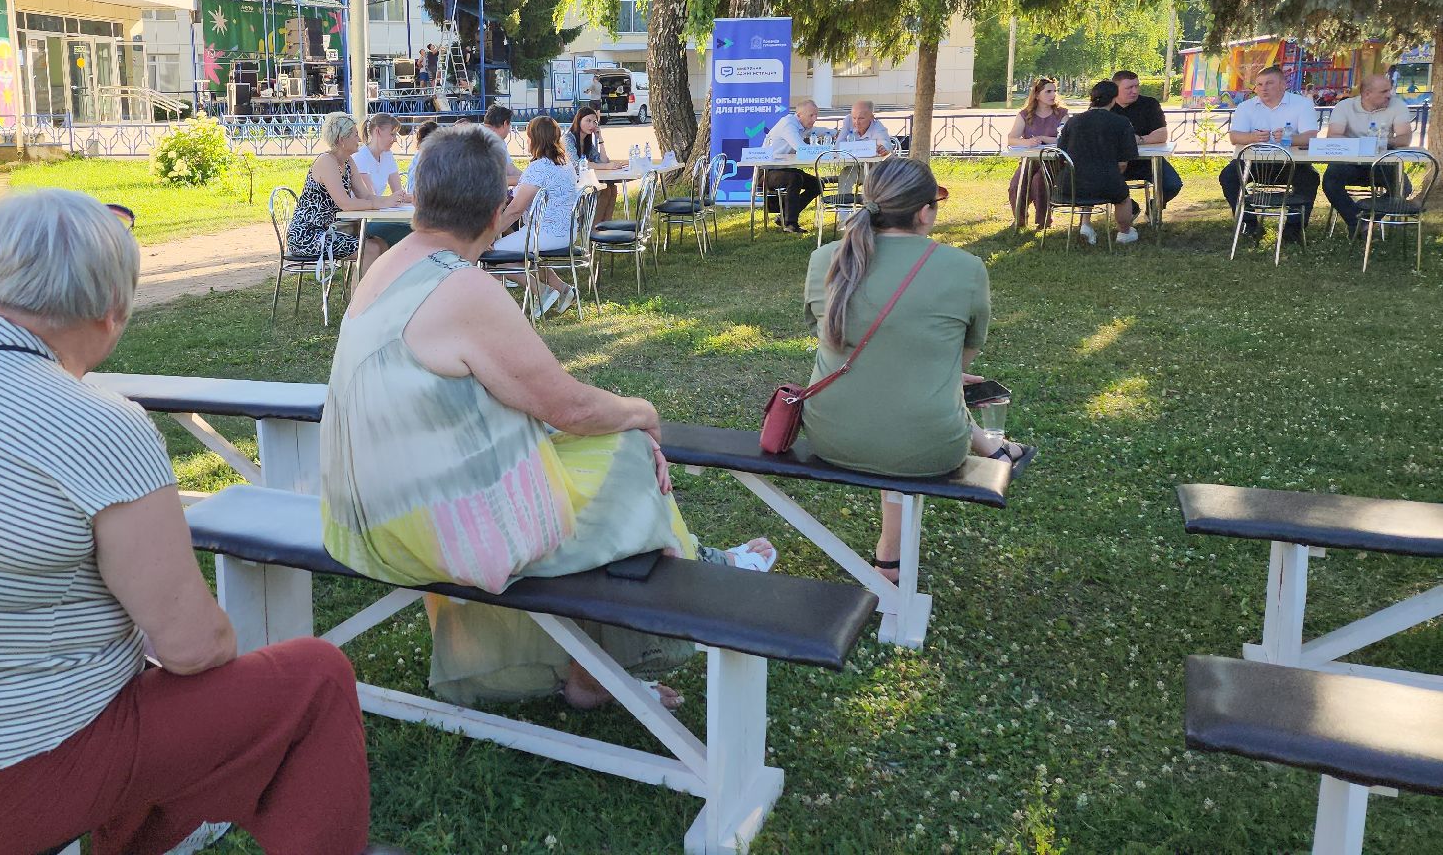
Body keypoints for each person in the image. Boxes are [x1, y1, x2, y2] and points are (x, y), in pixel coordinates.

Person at [0, 190, 374, 855]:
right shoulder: (98, 425)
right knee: (314, 680)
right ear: (114, 309)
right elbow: (193, 646)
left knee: (151, 702)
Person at [320, 125, 774, 709]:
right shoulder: (463, 288)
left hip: (355, 514)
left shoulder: (386, 266)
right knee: (628, 458)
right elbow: (567, 405)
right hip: (416, 528)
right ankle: (677, 592)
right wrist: (643, 414)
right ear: (496, 211)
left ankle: (590, 668)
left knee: (593, 457)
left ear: (419, 196)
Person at [802, 158, 1033, 584]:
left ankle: (889, 558)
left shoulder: (824, 260)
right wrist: (930, 368)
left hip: (829, 432)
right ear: (925, 212)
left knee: (912, 397)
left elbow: (830, 336)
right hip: (926, 444)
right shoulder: (965, 269)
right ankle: (992, 450)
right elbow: (963, 358)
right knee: (921, 404)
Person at [287, 112, 400, 275]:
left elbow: (365, 196)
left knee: (382, 244)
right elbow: (345, 204)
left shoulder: (348, 161)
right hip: (308, 235)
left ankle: (371, 296)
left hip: (329, 230)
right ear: (342, 140)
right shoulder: (327, 161)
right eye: (355, 135)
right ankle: (359, 299)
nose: (360, 139)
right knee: (370, 249)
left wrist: (389, 200)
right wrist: (381, 203)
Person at [489, 115, 582, 314]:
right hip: (568, 231)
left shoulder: (539, 167)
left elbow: (515, 210)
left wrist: (487, 236)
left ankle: (541, 292)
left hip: (547, 232)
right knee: (524, 254)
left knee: (493, 255)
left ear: (534, 138)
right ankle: (564, 289)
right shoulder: (564, 164)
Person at [1219, 65, 1322, 241]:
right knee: (1228, 176)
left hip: (1291, 164)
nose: (1263, 88)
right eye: (1259, 84)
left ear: (1283, 85)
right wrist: (1253, 137)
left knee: (1310, 178)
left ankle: (1293, 228)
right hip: (1254, 164)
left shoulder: (1302, 104)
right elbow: (1234, 137)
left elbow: (1310, 137)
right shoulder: (1246, 107)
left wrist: (1290, 138)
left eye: (1269, 83)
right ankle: (1249, 224)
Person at [1322, 73, 1418, 235]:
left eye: (1390, 90)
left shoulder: (1397, 105)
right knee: (1330, 181)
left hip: (1382, 162)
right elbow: (1333, 135)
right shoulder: (1345, 106)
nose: (1389, 95)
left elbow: (1404, 138)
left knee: (1404, 186)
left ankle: (1364, 218)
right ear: (1366, 94)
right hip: (1349, 161)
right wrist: (1363, 145)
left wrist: (1382, 143)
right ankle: (1358, 223)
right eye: (1384, 91)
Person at [1055, 80, 1141, 244]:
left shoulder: (1073, 122)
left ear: (1092, 98)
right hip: (1106, 184)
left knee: (1088, 180)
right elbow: (1123, 163)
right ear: (1114, 99)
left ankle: (1085, 226)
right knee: (1123, 197)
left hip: (1069, 186)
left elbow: (1061, 155)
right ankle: (1124, 233)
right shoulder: (1121, 123)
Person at [1111, 70, 1184, 210]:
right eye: (1129, 88)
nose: (1134, 91)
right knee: (1101, 183)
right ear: (1115, 89)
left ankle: (1155, 206)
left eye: (1137, 86)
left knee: (1173, 185)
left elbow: (1162, 134)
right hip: (1116, 162)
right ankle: (1130, 207)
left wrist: (1139, 140)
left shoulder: (1149, 104)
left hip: (1148, 162)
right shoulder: (1106, 107)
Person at [1005, 78, 1068, 228]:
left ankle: (1044, 221)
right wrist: (1026, 142)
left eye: (1055, 91)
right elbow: (1011, 139)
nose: (1053, 95)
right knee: (1017, 183)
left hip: (1053, 161)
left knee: (1039, 181)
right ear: (1037, 94)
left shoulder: (1062, 114)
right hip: (1030, 158)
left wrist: (1044, 139)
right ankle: (1020, 220)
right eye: (1048, 91)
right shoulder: (1025, 115)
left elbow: (1064, 139)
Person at [758, 101, 829, 232]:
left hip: (783, 169)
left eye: (816, 115)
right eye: (811, 115)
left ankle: (785, 215)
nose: (815, 119)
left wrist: (834, 132)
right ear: (799, 115)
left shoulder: (800, 125)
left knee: (817, 184)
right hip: (766, 172)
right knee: (794, 178)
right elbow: (801, 148)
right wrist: (826, 153)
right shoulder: (788, 125)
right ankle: (791, 224)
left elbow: (816, 131)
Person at [352, 112, 413, 247]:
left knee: (420, 230)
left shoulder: (387, 155)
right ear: (378, 131)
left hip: (375, 217)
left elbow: (399, 192)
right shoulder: (360, 157)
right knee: (412, 234)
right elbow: (370, 197)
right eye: (392, 134)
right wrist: (396, 198)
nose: (395, 139)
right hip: (359, 223)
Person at [565, 104, 623, 222]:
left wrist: (600, 138)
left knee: (611, 189)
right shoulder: (568, 138)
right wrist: (606, 166)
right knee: (602, 190)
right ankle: (593, 230)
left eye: (595, 122)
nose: (592, 125)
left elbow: (602, 160)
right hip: (570, 182)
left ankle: (605, 227)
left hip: (584, 180)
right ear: (579, 120)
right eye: (588, 121)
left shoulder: (587, 141)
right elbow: (577, 164)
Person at [481, 103, 525, 184]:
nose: (509, 130)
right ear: (505, 123)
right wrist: (531, 180)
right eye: (510, 125)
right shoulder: (494, 141)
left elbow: (510, 171)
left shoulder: (471, 134)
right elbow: (508, 173)